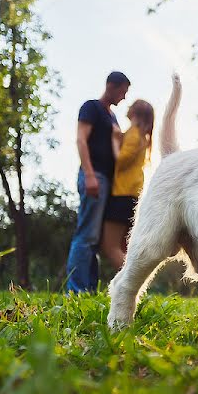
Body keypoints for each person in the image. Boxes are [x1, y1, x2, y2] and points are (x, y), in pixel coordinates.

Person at [65, 71, 130, 293]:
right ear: (111, 86)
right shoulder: (91, 107)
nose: (124, 97)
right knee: (87, 235)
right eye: (123, 91)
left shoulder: (112, 117)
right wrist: (90, 174)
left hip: (110, 183)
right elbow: (81, 139)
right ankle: (76, 290)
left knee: (96, 238)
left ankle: (89, 288)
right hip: (95, 177)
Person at [101, 99, 155, 269]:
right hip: (132, 194)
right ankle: (130, 288)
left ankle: (128, 286)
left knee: (110, 246)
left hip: (123, 193)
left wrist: (115, 141)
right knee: (124, 247)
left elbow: (121, 160)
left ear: (134, 112)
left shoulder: (134, 133)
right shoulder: (141, 136)